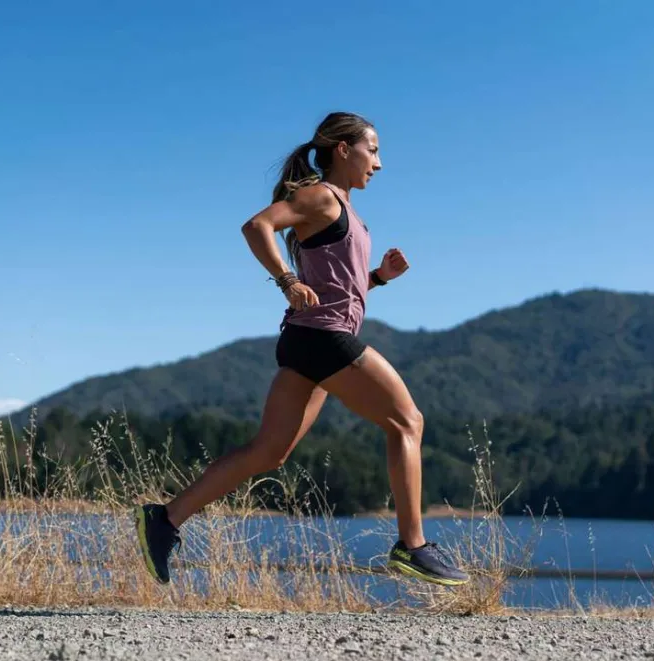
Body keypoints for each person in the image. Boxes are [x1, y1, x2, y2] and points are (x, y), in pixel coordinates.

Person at [134, 111, 469, 587]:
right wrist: (286, 280)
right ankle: (412, 546)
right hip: (322, 337)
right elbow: (256, 226)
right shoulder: (321, 197)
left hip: (306, 339)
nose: (378, 163)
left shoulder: (346, 210)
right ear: (343, 150)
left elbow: (340, 287)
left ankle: (165, 518)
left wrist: (378, 278)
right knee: (407, 421)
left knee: (268, 452)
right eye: (373, 150)